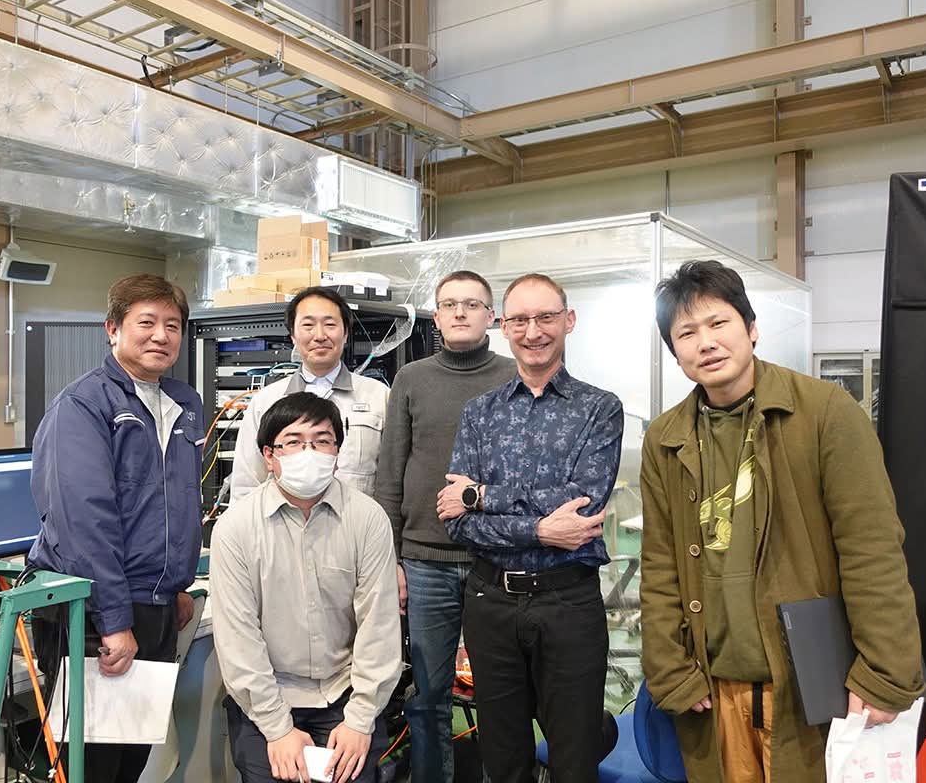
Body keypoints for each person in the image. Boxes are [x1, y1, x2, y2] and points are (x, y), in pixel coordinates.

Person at [639, 260, 925, 783]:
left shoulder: (824, 411)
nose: (706, 342)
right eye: (687, 333)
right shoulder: (665, 437)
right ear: (675, 354)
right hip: (712, 690)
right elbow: (659, 565)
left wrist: (885, 670)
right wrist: (669, 667)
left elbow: (872, 548)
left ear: (751, 327)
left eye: (719, 323)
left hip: (810, 688)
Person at [436, 273, 624, 783]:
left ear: (569, 320)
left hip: (568, 603)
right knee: (503, 757)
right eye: (519, 319)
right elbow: (458, 524)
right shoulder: (479, 414)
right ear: (503, 326)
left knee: (574, 756)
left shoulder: (599, 408)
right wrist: (541, 531)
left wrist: (482, 496)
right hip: (490, 603)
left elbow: (581, 504)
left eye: (545, 317)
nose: (533, 331)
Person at [27, 273, 204, 783]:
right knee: (93, 763)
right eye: (146, 322)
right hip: (95, 611)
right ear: (112, 329)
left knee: (133, 757)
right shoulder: (84, 405)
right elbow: (84, 521)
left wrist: (175, 585)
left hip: (155, 607)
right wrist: (113, 620)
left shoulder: (184, 403)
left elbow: (177, 502)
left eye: (172, 325)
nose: (160, 336)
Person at [212, 392, 402, 783]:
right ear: (269, 456)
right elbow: (238, 641)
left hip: (345, 691)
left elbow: (379, 627)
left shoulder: (367, 519)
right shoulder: (236, 528)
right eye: (294, 442)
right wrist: (277, 728)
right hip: (269, 695)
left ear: (337, 454)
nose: (309, 453)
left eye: (321, 441)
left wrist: (360, 720)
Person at [375, 270, 516, 783]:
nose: (460, 312)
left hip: (494, 561)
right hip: (424, 562)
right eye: (450, 304)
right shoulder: (412, 379)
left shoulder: (514, 376)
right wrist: (390, 559)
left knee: (501, 692)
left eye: (472, 304)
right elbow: (391, 471)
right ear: (436, 317)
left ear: (491, 317)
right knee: (429, 693)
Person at [229, 286, 389, 503]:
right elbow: (246, 484)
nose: (320, 336)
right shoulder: (266, 401)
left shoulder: (380, 397)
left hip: (356, 521)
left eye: (330, 324)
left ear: (345, 333)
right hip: (283, 522)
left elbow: (392, 480)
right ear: (293, 335)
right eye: (308, 325)